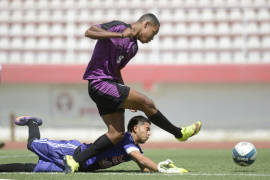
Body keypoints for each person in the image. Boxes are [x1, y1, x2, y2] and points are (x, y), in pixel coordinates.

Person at [67, 13, 202, 173]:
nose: (153, 38)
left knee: (116, 134)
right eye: (154, 32)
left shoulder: (133, 48)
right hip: (99, 82)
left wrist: (125, 95)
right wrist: (120, 34)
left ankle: (74, 161)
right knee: (147, 103)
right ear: (145, 25)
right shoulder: (119, 27)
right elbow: (89, 32)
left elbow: (116, 70)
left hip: (109, 86)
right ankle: (179, 133)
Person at [0, 116, 188, 174]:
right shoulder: (125, 139)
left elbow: (143, 165)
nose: (149, 132)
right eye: (146, 128)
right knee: (32, 144)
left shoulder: (134, 148)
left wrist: (159, 168)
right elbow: (141, 159)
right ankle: (32, 123)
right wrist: (161, 169)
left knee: (33, 168)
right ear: (134, 128)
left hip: (80, 167)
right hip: (73, 152)